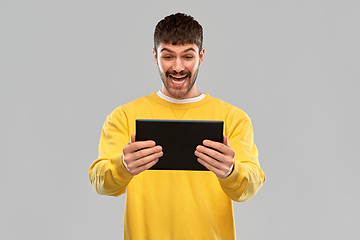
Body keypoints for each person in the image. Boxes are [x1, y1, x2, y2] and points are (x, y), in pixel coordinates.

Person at [89, 12, 266, 240]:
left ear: (201, 56)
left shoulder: (233, 118)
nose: (178, 67)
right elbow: (101, 184)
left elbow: (249, 186)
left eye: (188, 56)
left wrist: (231, 171)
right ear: (155, 57)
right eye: (168, 56)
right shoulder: (124, 116)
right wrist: (123, 165)